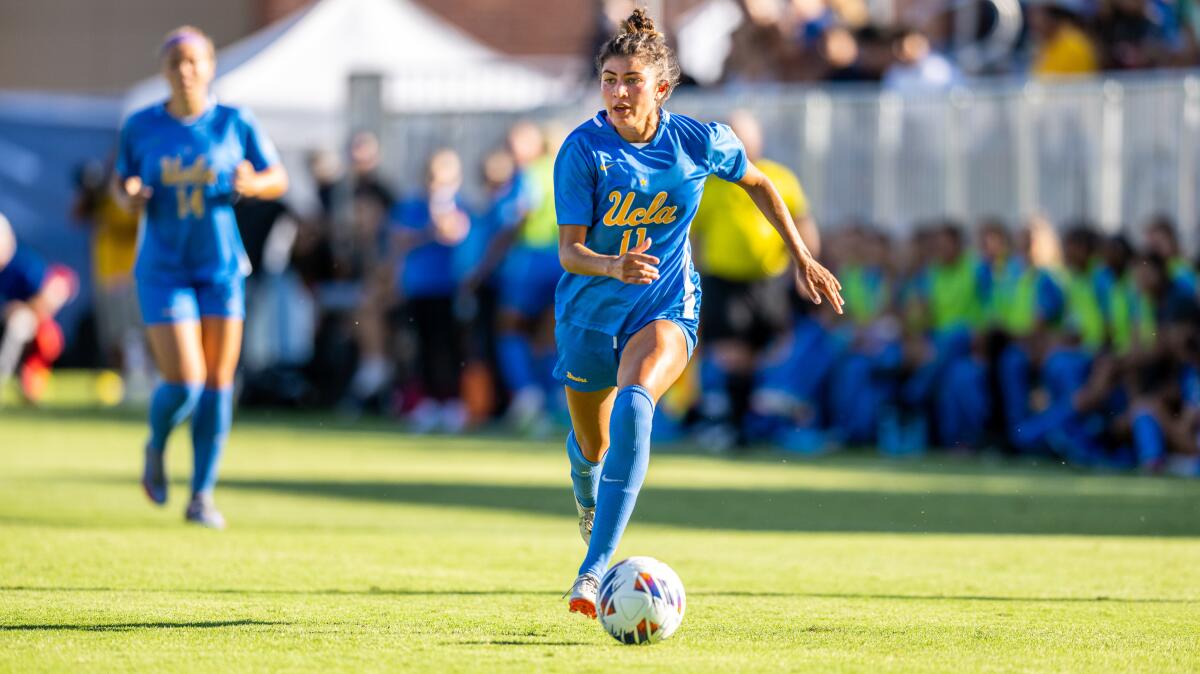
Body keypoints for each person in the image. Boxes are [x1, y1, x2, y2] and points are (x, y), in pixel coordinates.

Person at [556, 9, 843, 618]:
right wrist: (612, 266)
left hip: (663, 305)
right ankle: (588, 494)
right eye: (608, 79)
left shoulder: (697, 140)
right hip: (589, 312)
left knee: (638, 399)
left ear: (660, 88)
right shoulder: (583, 150)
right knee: (591, 445)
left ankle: (592, 571)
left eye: (630, 80)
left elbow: (760, 184)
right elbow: (569, 250)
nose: (617, 92)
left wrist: (803, 258)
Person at [112, 26, 288, 528]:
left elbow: (278, 178)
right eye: (175, 63)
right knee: (185, 381)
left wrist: (253, 183)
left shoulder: (235, 121)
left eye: (194, 61)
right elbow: (120, 185)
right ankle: (157, 442)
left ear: (211, 67)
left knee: (217, 383)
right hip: (165, 269)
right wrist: (130, 193)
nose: (185, 70)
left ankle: (201, 496)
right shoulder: (141, 125)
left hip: (221, 267)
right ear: (164, 71)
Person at [690, 109, 818, 448]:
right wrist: (693, 278)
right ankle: (735, 426)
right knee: (733, 354)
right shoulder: (709, 185)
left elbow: (802, 222)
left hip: (770, 282)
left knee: (771, 353)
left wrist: (804, 267)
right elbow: (696, 236)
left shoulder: (779, 177)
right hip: (725, 281)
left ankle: (765, 425)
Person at [0, 213, 76, 405]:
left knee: (19, 322)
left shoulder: (23, 264)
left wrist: (22, 308)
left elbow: (54, 293)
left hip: (36, 336)